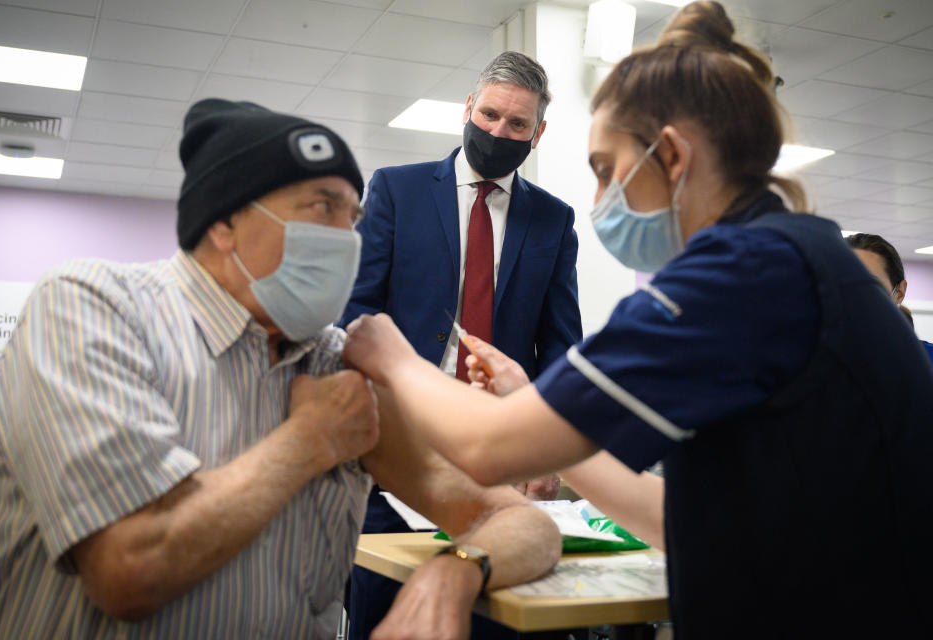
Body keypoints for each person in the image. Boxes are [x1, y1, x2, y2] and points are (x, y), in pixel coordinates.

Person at [341, 2, 933, 638]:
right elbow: (682, 515)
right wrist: (532, 402)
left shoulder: (733, 276)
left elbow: (487, 447)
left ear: (672, 156)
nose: (599, 202)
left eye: (605, 171)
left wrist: (390, 358)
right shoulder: (803, 257)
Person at [0, 99, 562, 639]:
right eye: (321, 208)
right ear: (224, 222)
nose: (345, 238)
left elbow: (525, 526)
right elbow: (132, 570)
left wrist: (455, 570)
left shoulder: (336, 364)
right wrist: (308, 441)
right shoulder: (94, 310)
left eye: (351, 216)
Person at [342, 51, 582, 639]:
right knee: (388, 611)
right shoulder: (397, 190)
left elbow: (559, 346)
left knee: (490, 618)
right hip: (397, 448)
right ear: (468, 109)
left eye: (517, 124)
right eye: (491, 115)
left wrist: (548, 451)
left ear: (538, 134)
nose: (500, 132)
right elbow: (358, 313)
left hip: (498, 456)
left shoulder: (553, 219)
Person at [846, 232, 933, 361]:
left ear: (899, 292)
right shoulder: (814, 363)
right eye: (842, 284)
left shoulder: (926, 360)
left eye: (870, 285)